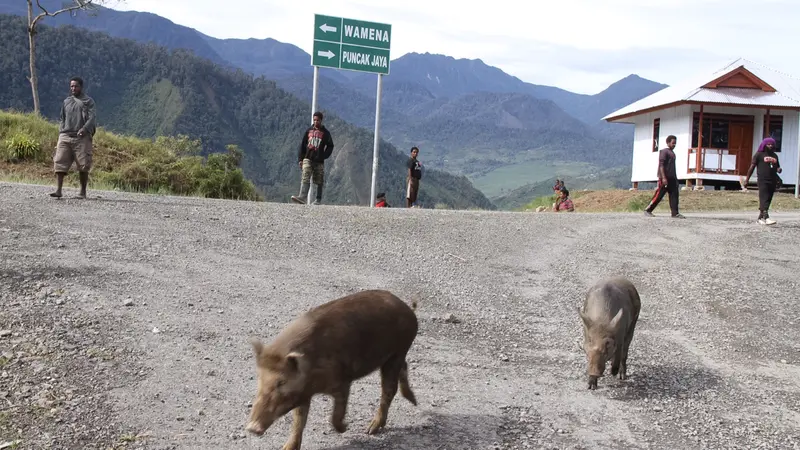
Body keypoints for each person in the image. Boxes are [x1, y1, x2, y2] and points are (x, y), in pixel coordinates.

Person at [50, 76, 96, 199]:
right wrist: (61, 131)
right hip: (65, 135)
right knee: (59, 161)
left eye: (76, 86)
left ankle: (82, 192)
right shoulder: (66, 102)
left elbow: (92, 118)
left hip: (81, 137)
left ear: (81, 87)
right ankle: (58, 190)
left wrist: (84, 129)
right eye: (71, 86)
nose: (73, 88)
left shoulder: (88, 101)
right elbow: (62, 118)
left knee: (83, 164)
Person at [291, 111, 334, 205]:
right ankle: (302, 197)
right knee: (305, 175)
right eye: (314, 120)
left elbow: (330, 146)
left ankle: (318, 199)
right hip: (308, 158)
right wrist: (300, 159)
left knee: (319, 180)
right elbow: (302, 145)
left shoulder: (325, 133)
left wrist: (324, 155)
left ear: (321, 120)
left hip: (319, 160)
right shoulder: (308, 131)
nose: (316, 122)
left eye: (318, 120)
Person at [742, 137, 781, 225]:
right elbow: (752, 167)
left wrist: (779, 170)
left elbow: (776, 167)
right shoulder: (759, 154)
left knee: (768, 198)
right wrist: (747, 179)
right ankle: (766, 217)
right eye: (768, 144)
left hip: (773, 180)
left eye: (772, 144)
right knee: (763, 197)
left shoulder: (775, 156)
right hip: (762, 179)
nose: (770, 146)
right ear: (764, 145)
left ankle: (760, 219)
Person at [644, 135, 684, 218]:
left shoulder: (672, 153)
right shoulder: (664, 152)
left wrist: (675, 179)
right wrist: (663, 177)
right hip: (664, 178)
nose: (674, 145)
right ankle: (648, 210)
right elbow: (661, 165)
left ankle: (675, 213)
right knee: (659, 195)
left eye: (675, 143)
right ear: (668, 142)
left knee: (674, 195)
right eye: (673, 143)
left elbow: (673, 168)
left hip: (672, 178)